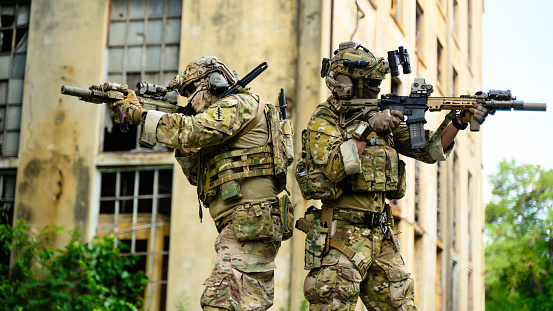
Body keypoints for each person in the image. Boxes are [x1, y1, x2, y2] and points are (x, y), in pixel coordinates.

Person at [294, 41, 489, 310]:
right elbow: (335, 168)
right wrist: (367, 128)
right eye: (370, 81)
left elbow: (428, 150)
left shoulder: (380, 115)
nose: (377, 87)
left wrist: (458, 121)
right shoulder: (325, 118)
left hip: (381, 234)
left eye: (378, 80)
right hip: (341, 235)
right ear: (344, 82)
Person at [110, 56, 294, 311]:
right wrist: (184, 149)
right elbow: (200, 178)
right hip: (244, 221)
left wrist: (141, 116)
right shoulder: (223, 126)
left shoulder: (237, 104)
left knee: (219, 301)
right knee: (243, 304)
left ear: (213, 83)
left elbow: (195, 129)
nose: (189, 101)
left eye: (191, 91)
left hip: (251, 219)